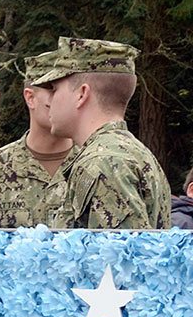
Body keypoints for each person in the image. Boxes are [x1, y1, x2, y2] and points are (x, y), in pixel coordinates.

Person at [34, 37, 171, 230]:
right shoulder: (134, 153)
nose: (49, 101)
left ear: (81, 94)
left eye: (55, 90)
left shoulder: (103, 163)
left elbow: (118, 256)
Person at [0, 50, 79, 228]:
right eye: (54, 90)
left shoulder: (93, 167)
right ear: (30, 98)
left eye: (70, 91)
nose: (63, 99)